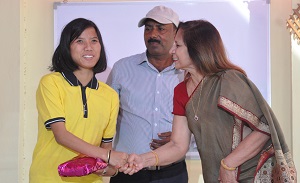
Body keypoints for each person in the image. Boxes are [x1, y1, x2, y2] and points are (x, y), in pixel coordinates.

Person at [126, 19, 297, 182]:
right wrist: (143, 160)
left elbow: (263, 127)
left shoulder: (229, 80)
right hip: (216, 176)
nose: (172, 51)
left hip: (253, 174)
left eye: (177, 45)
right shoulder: (180, 91)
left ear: (196, 49)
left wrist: (228, 165)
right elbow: (178, 145)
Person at [29, 18, 129, 183]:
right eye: (80, 41)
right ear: (67, 47)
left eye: (94, 41)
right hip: (49, 178)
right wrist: (108, 156)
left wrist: (116, 166)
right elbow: (61, 135)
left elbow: (106, 152)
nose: (88, 47)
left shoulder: (110, 95)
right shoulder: (51, 83)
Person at [106, 5, 188, 183]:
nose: (153, 34)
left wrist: (182, 138)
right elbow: (104, 115)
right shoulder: (122, 68)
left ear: (176, 33)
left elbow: (201, 120)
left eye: (161, 28)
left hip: (172, 172)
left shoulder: (187, 73)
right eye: (148, 28)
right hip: (127, 172)